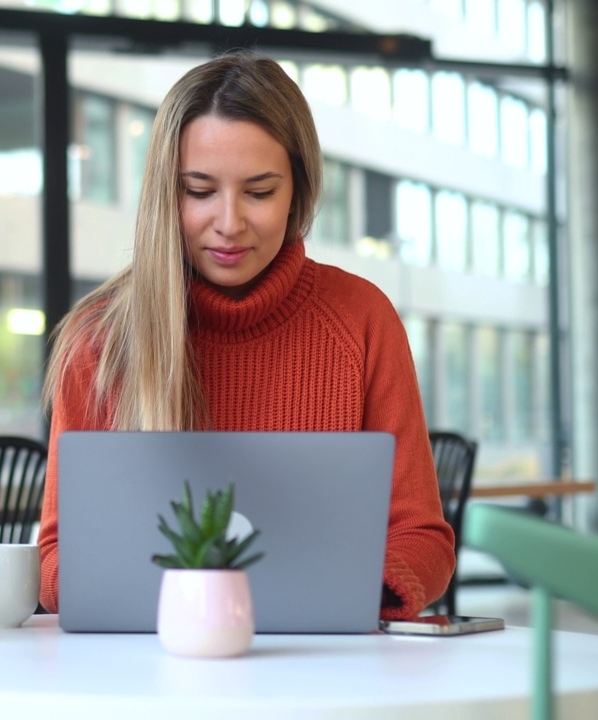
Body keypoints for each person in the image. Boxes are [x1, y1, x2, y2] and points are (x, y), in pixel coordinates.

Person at [37, 50, 454, 621]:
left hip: (322, 672)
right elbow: (56, 558)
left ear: (298, 192)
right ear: (165, 193)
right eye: (199, 190)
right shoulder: (100, 338)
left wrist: (342, 593)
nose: (229, 223)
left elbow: (422, 537)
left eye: (259, 192)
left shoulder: (361, 319)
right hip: (150, 669)